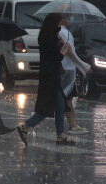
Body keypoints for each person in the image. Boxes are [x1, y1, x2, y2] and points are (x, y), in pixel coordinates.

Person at [16, 13, 75, 146]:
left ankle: (60, 135)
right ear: (53, 23)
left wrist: (59, 45)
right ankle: (26, 126)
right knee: (47, 107)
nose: (60, 26)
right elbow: (54, 58)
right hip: (50, 78)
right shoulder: (49, 37)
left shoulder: (47, 36)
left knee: (59, 105)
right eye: (59, 24)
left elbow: (50, 55)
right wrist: (65, 50)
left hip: (50, 76)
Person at [59, 15, 91, 134]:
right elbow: (70, 53)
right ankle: (34, 121)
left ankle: (73, 126)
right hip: (66, 70)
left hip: (67, 68)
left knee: (67, 98)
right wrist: (84, 67)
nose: (70, 19)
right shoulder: (63, 33)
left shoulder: (64, 32)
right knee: (60, 98)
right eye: (68, 17)